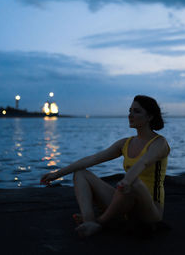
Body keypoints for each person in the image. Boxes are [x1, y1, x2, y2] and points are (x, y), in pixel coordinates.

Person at [40, 95, 170, 237]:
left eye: (136, 111)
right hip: (126, 203)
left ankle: (100, 222)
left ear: (149, 117)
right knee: (81, 173)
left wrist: (126, 181)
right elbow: (92, 159)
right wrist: (56, 174)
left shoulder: (159, 143)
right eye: (130, 110)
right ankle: (88, 221)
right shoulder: (125, 143)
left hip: (150, 211)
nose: (130, 115)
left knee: (133, 182)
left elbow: (143, 162)